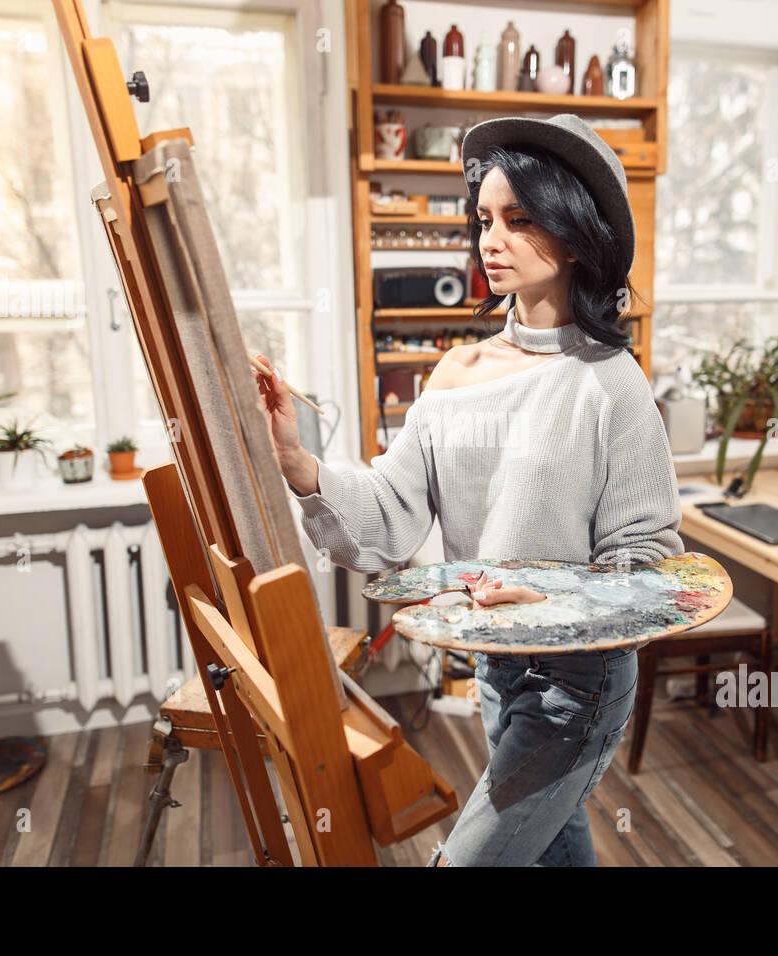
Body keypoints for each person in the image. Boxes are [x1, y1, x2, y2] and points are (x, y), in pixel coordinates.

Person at [252, 114, 683, 866]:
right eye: (484, 218)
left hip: (577, 683)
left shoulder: (610, 386)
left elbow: (645, 563)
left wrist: (546, 599)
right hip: (493, 664)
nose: (492, 239)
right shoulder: (455, 374)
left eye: (519, 220)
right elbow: (389, 516)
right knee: (552, 847)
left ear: (575, 233)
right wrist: (299, 464)